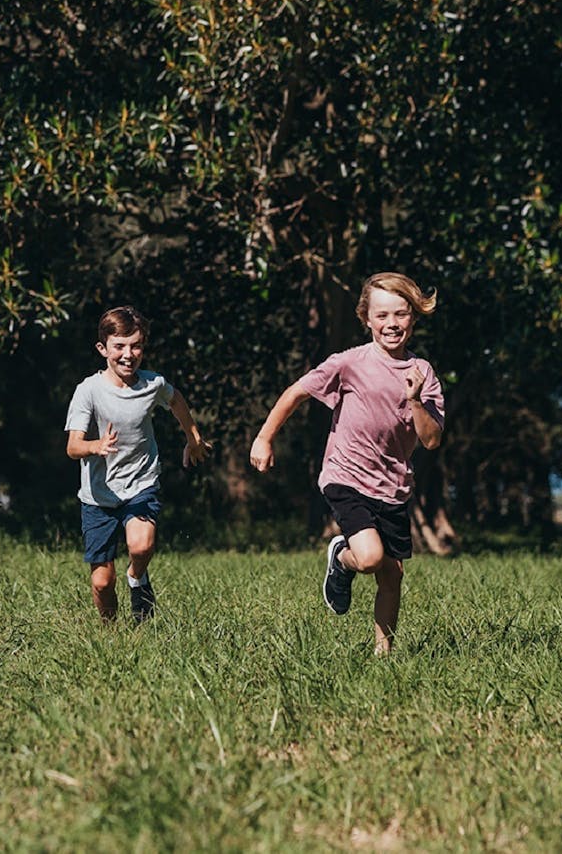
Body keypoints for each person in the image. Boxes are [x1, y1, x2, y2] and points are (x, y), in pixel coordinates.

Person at [248, 272, 444, 654]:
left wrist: (417, 400)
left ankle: (382, 654)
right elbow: (296, 393)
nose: (392, 324)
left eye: (401, 315)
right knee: (370, 557)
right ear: (366, 319)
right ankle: (342, 556)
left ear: (414, 318)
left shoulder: (424, 374)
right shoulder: (349, 363)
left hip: (393, 485)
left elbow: (432, 440)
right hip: (346, 475)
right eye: (382, 316)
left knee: (392, 573)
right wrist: (264, 437)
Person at [65, 306, 213, 623]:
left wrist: (193, 437)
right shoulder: (88, 391)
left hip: (140, 485)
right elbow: (73, 447)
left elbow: (176, 400)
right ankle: (110, 633)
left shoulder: (152, 384)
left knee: (142, 545)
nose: (128, 354)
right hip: (98, 497)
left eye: (136, 346)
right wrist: (96, 446)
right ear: (102, 349)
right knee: (102, 582)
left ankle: (137, 577)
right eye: (119, 346)